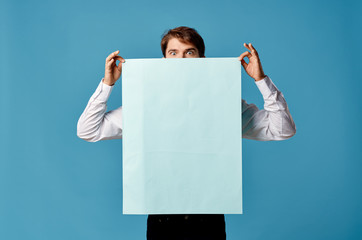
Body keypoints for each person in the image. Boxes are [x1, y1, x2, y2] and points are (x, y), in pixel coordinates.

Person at [77, 26, 296, 240]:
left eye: (189, 52)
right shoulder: (142, 108)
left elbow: (282, 130)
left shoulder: (225, 106)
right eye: (173, 53)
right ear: (164, 61)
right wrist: (108, 84)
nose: (181, 60)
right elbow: (88, 130)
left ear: (202, 60)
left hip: (208, 221)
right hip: (162, 221)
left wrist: (261, 80)